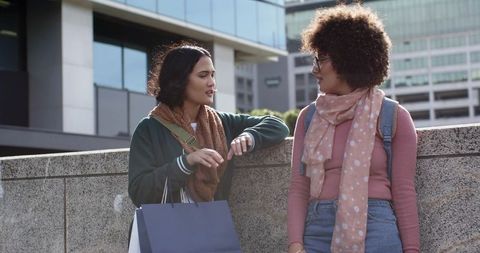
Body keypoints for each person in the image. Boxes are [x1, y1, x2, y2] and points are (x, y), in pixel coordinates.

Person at [287, 4, 420, 253]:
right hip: (316, 234)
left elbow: (403, 190)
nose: (315, 69)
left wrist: (411, 250)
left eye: (322, 59)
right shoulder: (309, 117)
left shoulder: (393, 116)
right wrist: (295, 245)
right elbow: (299, 186)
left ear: (348, 58)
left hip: (377, 230)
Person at [128, 42, 289, 207]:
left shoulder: (221, 122)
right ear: (180, 80)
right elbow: (139, 192)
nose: (212, 82)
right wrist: (186, 162)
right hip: (167, 228)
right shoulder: (149, 128)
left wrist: (250, 136)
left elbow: (278, 125)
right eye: (203, 75)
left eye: (213, 75)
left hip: (211, 224)